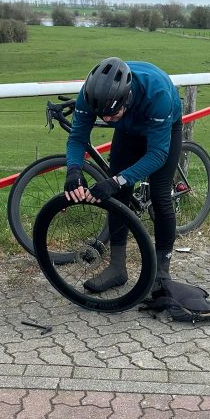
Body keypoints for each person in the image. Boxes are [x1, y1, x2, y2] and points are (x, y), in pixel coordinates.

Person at [64, 57, 183, 292]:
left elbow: (158, 154)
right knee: (119, 197)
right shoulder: (90, 94)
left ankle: (162, 274)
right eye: (102, 115)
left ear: (127, 98)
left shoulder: (157, 93)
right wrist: (73, 170)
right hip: (128, 130)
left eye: (112, 113)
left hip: (162, 127)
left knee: (160, 197)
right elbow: (77, 138)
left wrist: (116, 180)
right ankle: (117, 268)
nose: (107, 120)